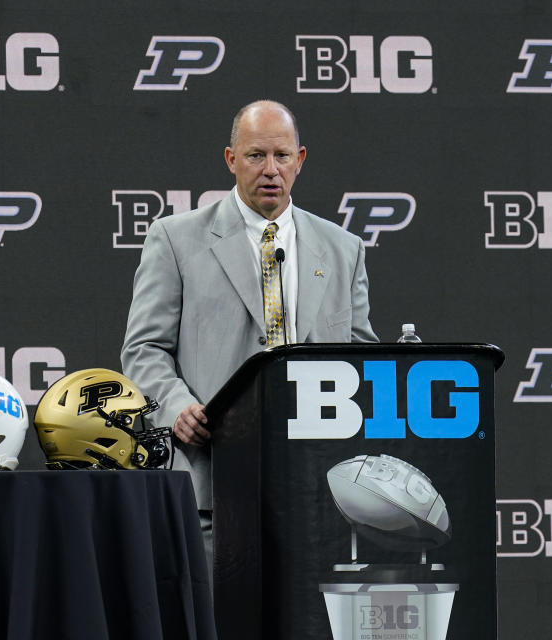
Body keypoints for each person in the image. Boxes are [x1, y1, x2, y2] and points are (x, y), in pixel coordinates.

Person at [121, 99, 378, 572]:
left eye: (282, 156)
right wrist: (177, 408)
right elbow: (144, 348)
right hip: (213, 480)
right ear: (231, 159)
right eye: (256, 155)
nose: (270, 170)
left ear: (300, 160)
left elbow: (360, 358)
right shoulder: (176, 239)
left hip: (317, 488)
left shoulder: (344, 250)